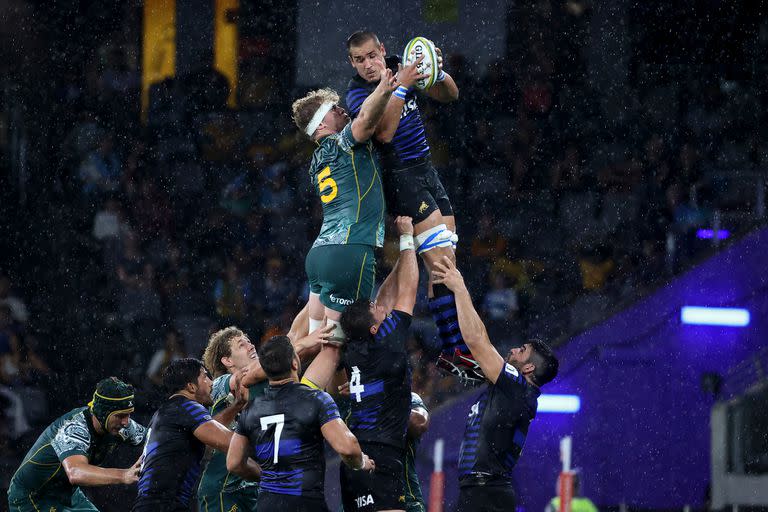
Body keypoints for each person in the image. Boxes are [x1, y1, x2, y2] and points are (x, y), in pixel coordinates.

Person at [343, 31, 476, 381]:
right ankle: (454, 350)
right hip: (399, 177)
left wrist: (436, 72)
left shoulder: (398, 67)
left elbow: (451, 95)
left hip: (426, 169)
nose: (369, 64)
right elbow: (384, 134)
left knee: (446, 263)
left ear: (382, 50)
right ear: (352, 63)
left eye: (372, 55)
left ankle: (452, 350)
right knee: (441, 262)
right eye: (360, 60)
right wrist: (400, 85)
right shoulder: (358, 94)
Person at [431, 256, 559, 511]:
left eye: (521, 350)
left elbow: (477, 340)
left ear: (529, 368)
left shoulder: (517, 387)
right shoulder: (512, 390)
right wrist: (437, 271)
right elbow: (467, 345)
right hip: (481, 493)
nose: (513, 349)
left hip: (486, 495)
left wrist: (460, 288)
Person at [290, 59, 397, 341]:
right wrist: (386, 87)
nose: (342, 110)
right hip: (350, 251)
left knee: (314, 341)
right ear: (323, 123)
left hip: (319, 255)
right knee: (338, 344)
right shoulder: (341, 143)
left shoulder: (315, 162)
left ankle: (296, 385)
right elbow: (364, 121)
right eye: (334, 109)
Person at [226, 335, 374, 512]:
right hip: (305, 503)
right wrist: (361, 463)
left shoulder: (251, 410)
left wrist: (265, 476)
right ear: (295, 363)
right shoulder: (315, 399)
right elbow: (347, 447)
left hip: (267, 504)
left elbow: (233, 462)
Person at [197, 322, 334, 511]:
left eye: (249, 341)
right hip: (224, 489)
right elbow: (243, 377)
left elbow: (288, 355)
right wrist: (300, 345)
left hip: (254, 488)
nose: (251, 345)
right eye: (241, 344)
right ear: (227, 361)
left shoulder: (271, 386)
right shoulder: (221, 384)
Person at [337, 215, 418, 512]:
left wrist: (400, 260)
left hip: (352, 457)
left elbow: (384, 299)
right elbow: (409, 290)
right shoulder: (388, 343)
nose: (380, 306)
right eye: (375, 309)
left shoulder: (353, 349)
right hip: (380, 456)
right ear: (374, 327)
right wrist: (408, 240)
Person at [133, 358, 260, 512]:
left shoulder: (166, 412)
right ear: (191, 387)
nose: (211, 382)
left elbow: (209, 434)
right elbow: (232, 444)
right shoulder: (188, 407)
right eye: (205, 376)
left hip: (150, 505)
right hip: (165, 506)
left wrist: (237, 405)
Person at [8, 377, 146, 512]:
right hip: (33, 496)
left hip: (67, 493)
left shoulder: (120, 424)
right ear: (103, 413)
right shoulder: (74, 427)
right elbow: (75, 472)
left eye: (128, 415)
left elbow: (154, 438)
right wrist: (123, 475)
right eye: (121, 416)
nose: (126, 422)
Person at [404, 392, 430, 512]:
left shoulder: (405, 396)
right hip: (357, 494)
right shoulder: (352, 397)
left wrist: (380, 401)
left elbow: (419, 422)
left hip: (405, 496)